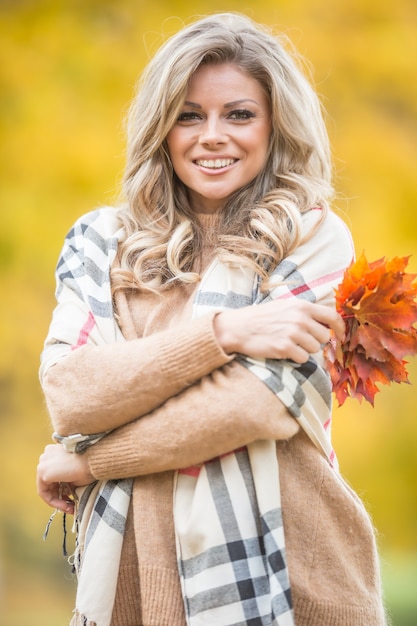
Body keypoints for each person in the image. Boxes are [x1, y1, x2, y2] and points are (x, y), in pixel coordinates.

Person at [36, 12, 387, 626]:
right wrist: (224, 334)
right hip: (132, 581)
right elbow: (72, 393)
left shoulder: (310, 236)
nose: (213, 136)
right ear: (162, 127)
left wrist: (91, 463)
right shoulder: (101, 242)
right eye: (189, 115)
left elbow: (250, 407)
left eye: (240, 114)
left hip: (295, 572)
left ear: (275, 124)